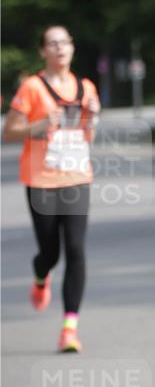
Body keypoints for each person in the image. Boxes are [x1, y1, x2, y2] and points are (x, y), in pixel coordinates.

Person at [3, 26, 100, 352]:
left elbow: (89, 138)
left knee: (75, 250)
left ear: (72, 48)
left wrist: (92, 121)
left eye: (65, 42)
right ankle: (40, 276)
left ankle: (69, 328)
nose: (60, 48)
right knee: (50, 252)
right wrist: (39, 126)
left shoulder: (86, 88)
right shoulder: (32, 87)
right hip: (41, 180)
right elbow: (9, 132)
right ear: (43, 51)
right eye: (53, 44)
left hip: (76, 177)